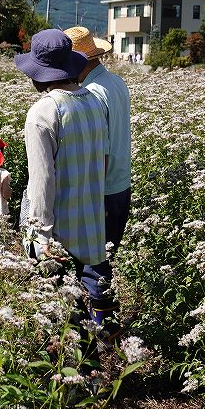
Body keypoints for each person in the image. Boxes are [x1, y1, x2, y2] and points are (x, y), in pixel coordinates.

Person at [14, 28, 109, 287]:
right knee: (91, 307)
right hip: (91, 224)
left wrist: (40, 237)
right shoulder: (95, 102)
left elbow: (42, 180)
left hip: (58, 234)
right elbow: (102, 162)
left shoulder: (43, 112)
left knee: (62, 315)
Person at [63, 26, 132, 333]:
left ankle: (103, 329)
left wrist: (86, 195)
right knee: (105, 258)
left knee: (94, 263)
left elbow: (100, 152)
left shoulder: (92, 93)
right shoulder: (116, 82)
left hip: (101, 189)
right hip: (121, 185)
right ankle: (107, 323)